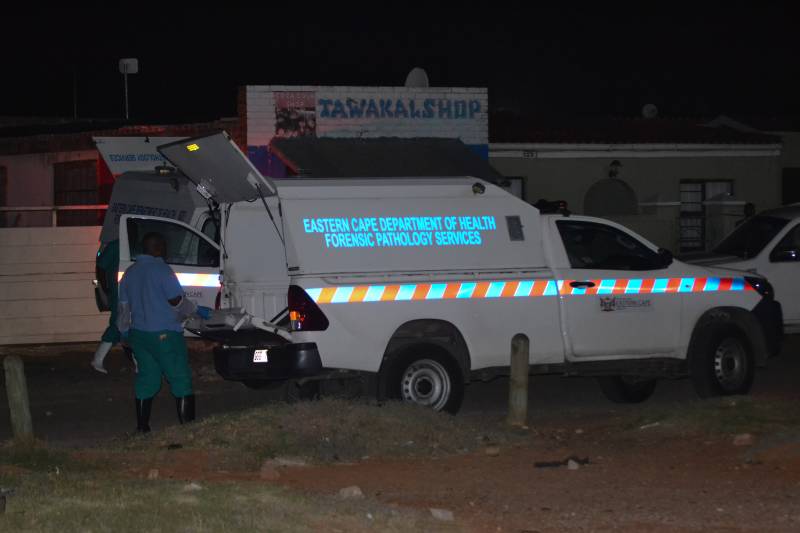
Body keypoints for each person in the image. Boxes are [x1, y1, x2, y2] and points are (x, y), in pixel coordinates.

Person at [117, 232, 212, 433]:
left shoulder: (130, 273)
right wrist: (196, 309)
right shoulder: (162, 270)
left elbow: (123, 308)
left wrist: (124, 334)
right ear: (158, 248)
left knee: (147, 379)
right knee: (180, 378)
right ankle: (189, 429)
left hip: (139, 336)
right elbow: (176, 301)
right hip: (165, 335)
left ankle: (142, 428)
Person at [91, 239, 120, 374]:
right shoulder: (116, 245)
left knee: (131, 326)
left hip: (130, 290)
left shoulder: (132, 243)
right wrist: (104, 287)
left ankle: (139, 363)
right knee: (118, 323)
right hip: (118, 291)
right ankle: (98, 358)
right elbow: (101, 266)